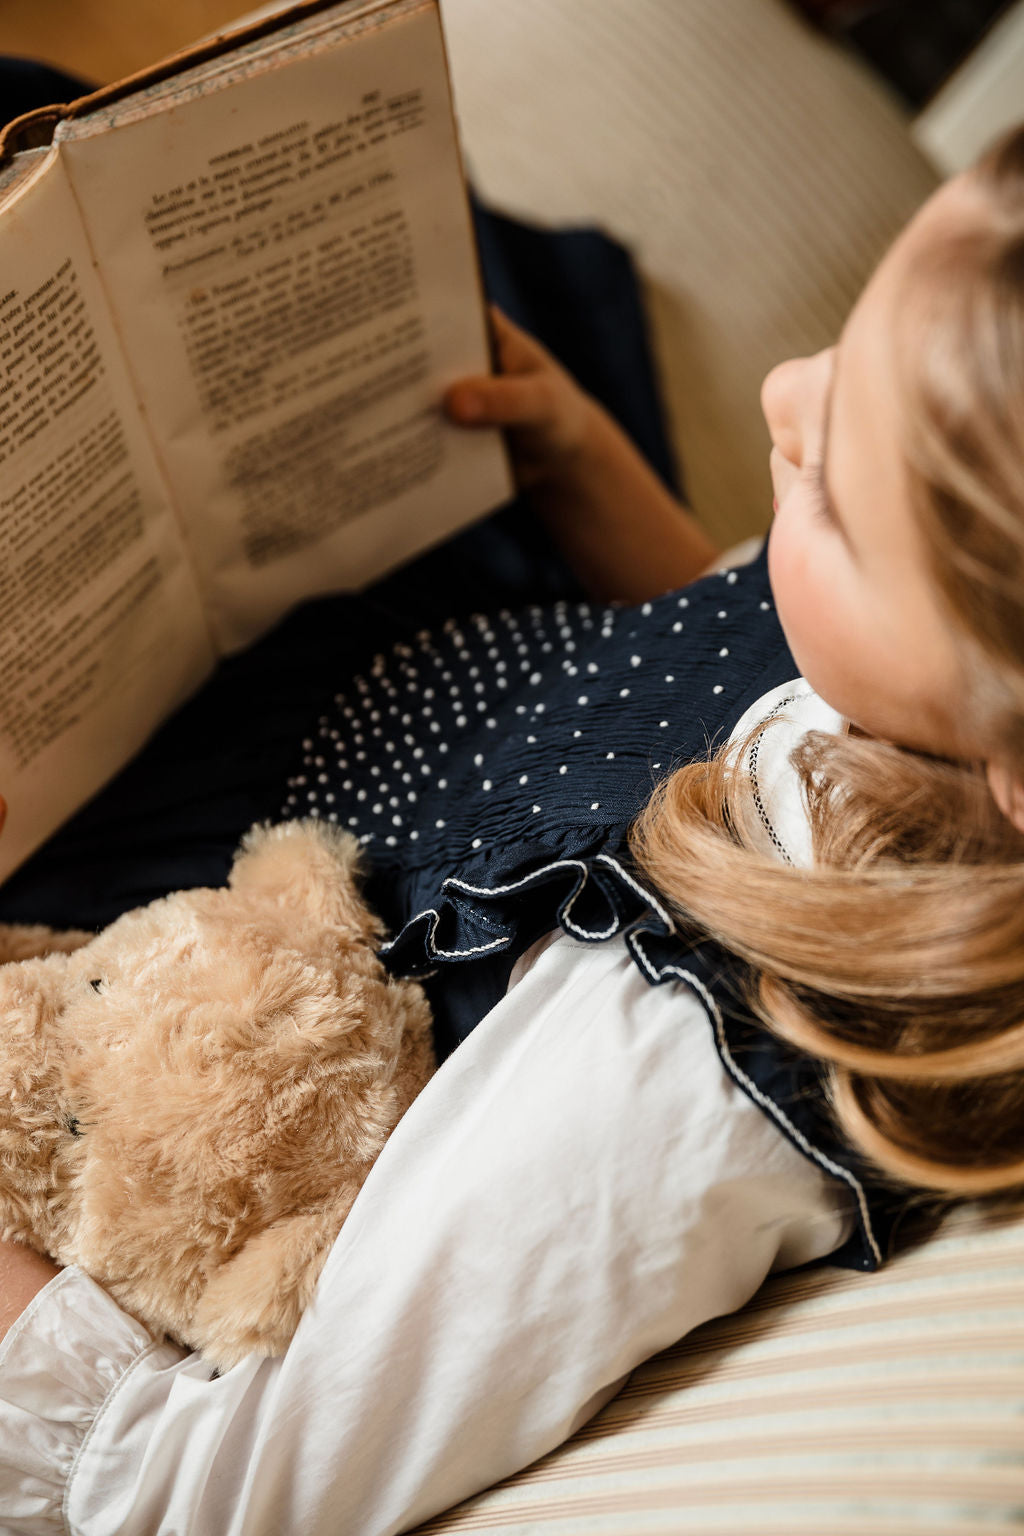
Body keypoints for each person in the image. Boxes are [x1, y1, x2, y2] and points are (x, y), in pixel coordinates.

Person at [2, 122, 1023, 1534]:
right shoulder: (931, 734)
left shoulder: (688, 1063)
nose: (783, 388)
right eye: (843, 347)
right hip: (400, 686)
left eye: (836, 490)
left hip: (200, 928)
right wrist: (585, 465)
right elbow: (741, 644)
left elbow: (189, 1485)